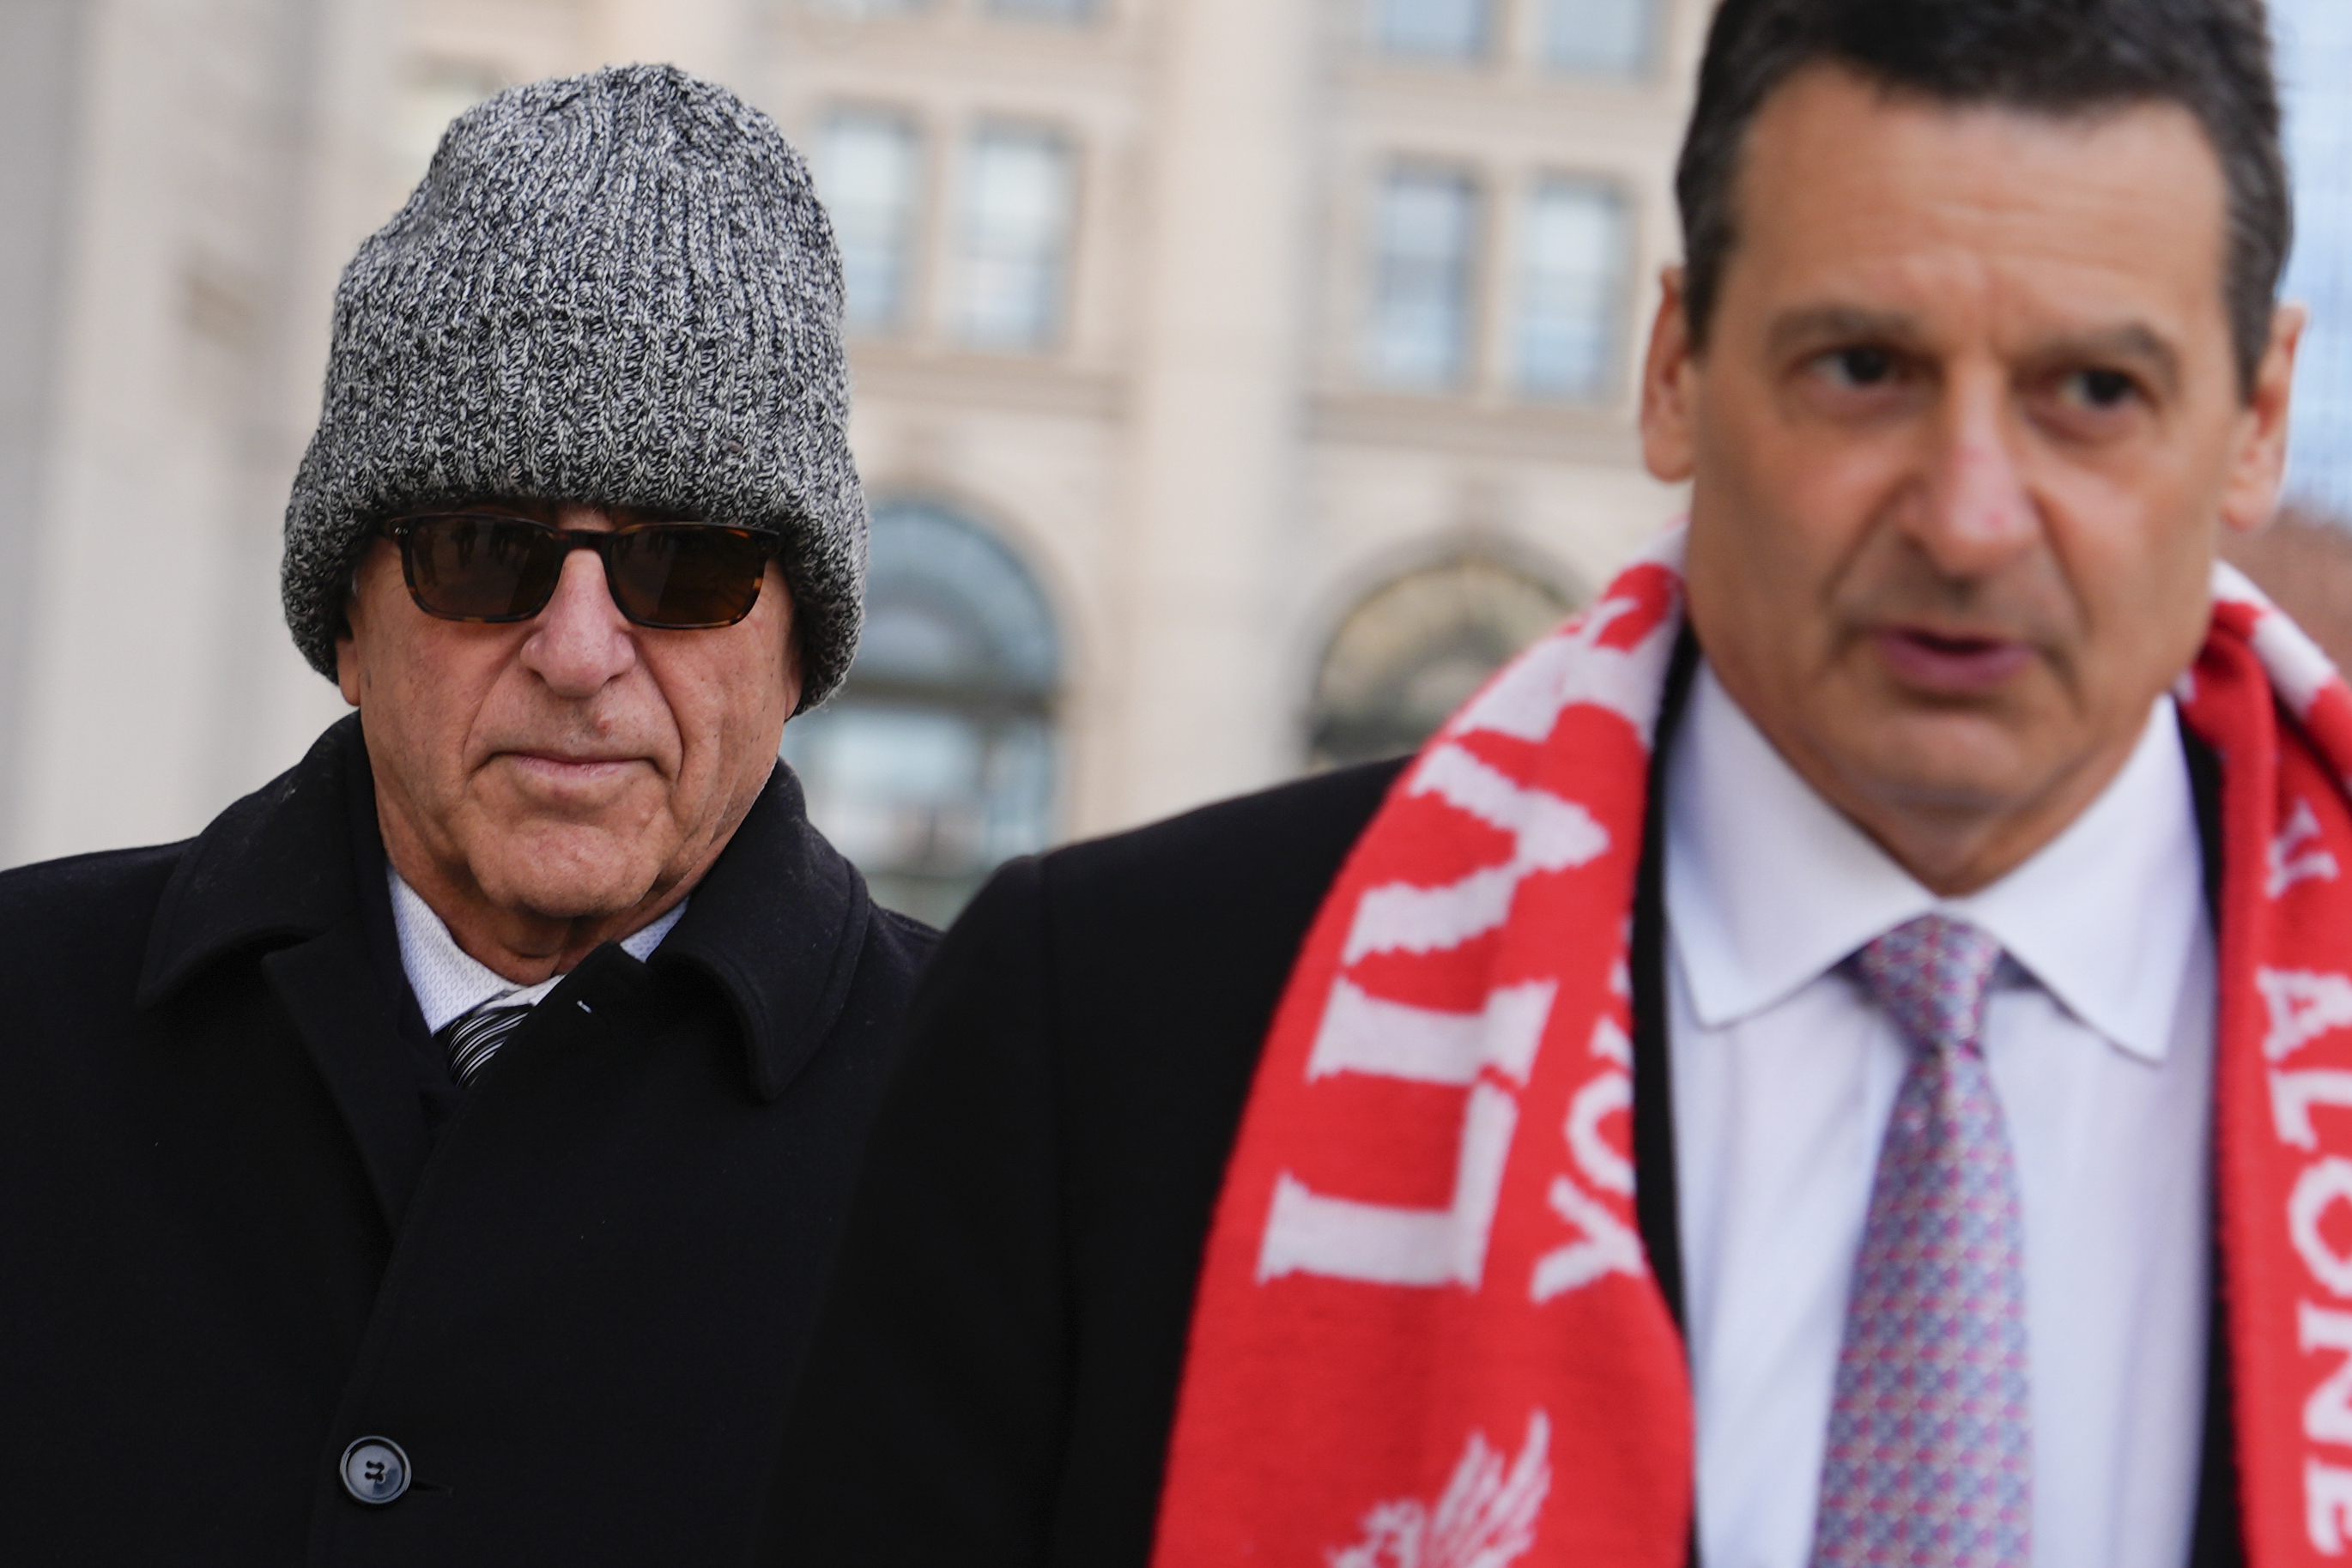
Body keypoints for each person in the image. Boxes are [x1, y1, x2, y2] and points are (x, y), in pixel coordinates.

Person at [765, 1, 2335, 1563]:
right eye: (1864, 366)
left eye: (2095, 394)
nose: (1971, 515)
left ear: (2258, 418)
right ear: (1673, 369)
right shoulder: (1110, 1023)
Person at [0, 66, 932, 1563]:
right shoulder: (25, 1016)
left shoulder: (996, 1137)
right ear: (348, 624)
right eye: (486, 551)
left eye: (687, 569)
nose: (578, 654)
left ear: (799, 646)